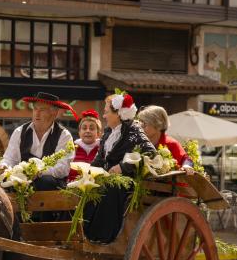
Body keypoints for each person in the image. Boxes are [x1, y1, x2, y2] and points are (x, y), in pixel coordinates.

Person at [85, 92, 156, 243]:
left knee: (111, 187)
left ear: (118, 113)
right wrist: (87, 172)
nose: (104, 116)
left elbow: (150, 153)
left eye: (106, 112)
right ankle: (86, 234)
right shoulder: (108, 133)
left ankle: (103, 236)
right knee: (86, 188)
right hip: (107, 178)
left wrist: (123, 167)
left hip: (126, 180)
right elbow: (100, 159)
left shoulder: (134, 130)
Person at [0, 91, 77, 191]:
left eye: (42, 110)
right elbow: (10, 159)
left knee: (45, 181)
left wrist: (39, 172)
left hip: (50, 185)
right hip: (21, 179)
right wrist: (4, 166)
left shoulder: (64, 135)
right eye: (35, 109)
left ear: (54, 113)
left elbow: (63, 169)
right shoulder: (19, 132)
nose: (37, 113)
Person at [138, 105, 195, 175]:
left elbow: (186, 159)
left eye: (144, 124)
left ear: (157, 125)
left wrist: (186, 166)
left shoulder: (171, 143)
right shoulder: (139, 143)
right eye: (140, 123)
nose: (140, 127)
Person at [67, 109, 102, 182]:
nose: (88, 131)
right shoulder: (72, 148)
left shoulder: (103, 149)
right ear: (79, 132)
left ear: (98, 133)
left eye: (92, 128)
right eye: (84, 128)